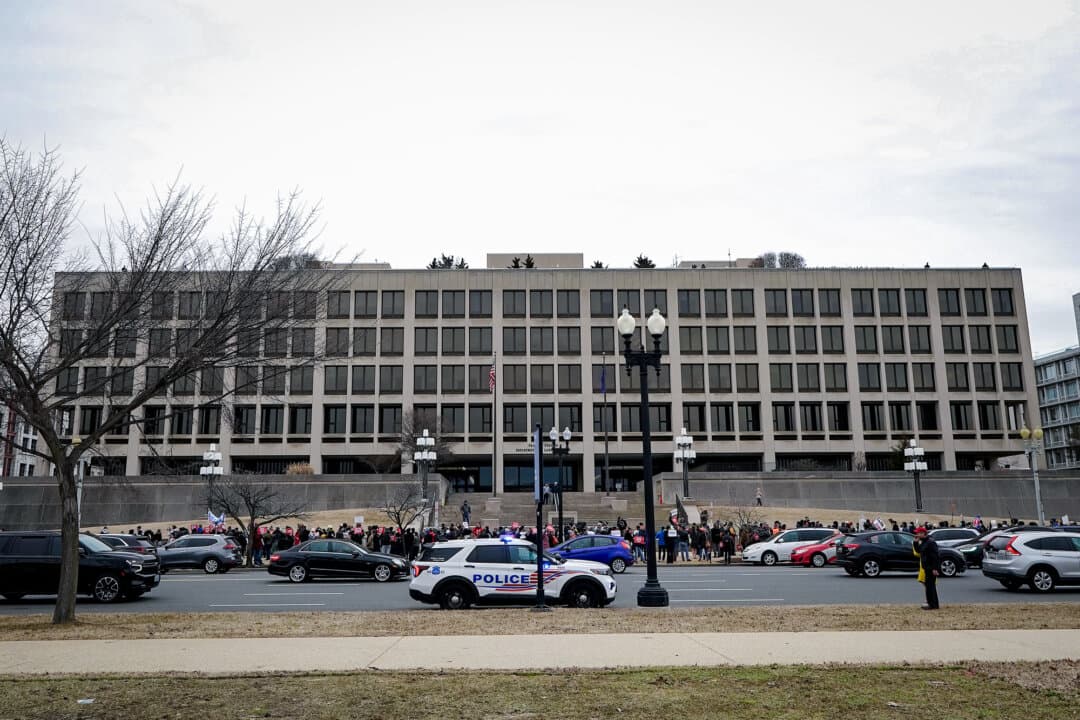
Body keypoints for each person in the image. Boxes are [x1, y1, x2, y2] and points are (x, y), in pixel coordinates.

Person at [912, 526, 940, 610]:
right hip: (926, 567)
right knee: (929, 586)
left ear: (923, 533)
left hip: (931, 568)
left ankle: (932, 604)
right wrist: (915, 543)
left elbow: (935, 556)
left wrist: (935, 568)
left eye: (918, 533)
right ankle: (932, 604)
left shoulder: (930, 542)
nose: (916, 534)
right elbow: (918, 551)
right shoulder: (924, 542)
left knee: (930, 587)